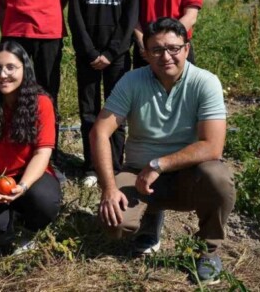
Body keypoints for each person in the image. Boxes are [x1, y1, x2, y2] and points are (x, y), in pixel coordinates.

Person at [91, 18, 235, 285]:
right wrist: (109, 187)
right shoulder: (132, 81)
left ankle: (209, 249)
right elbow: (100, 131)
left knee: (218, 177)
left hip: (187, 174)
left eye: (173, 48)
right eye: (156, 50)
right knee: (115, 224)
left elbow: (213, 146)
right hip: (137, 173)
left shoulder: (205, 82)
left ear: (187, 49)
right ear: (145, 53)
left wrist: (159, 164)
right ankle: (151, 216)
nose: (165, 56)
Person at [0, 41, 61, 250]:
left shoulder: (41, 102)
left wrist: (22, 187)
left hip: (31, 174)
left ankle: (25, 217)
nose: (3, 74)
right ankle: (8, 217)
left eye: (11, 67)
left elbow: (42, 153)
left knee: (45, 204)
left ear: (24, 69)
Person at [68, 0, 139, 187]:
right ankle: (90, 165)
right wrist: (89, 52)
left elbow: (130, 17)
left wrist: (111, 53)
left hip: (117, 57)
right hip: (87, 55)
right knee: (88, 112)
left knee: (116, 113)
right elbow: (75, 17)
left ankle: (115, 165)